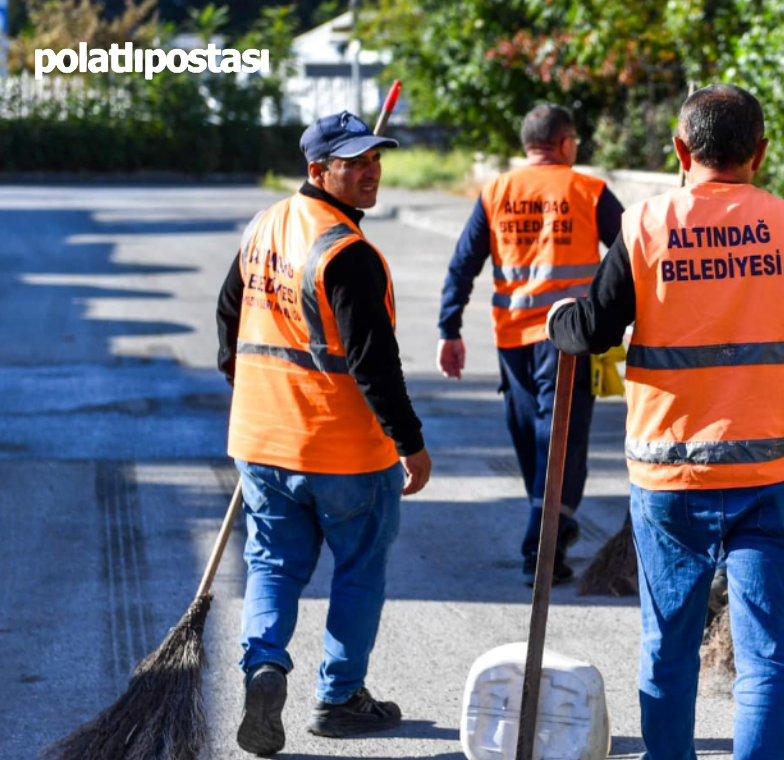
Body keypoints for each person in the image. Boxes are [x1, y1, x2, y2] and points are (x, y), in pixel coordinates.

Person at [547, 84, 784, 760]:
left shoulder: (643, 225)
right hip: (775, 474)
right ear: (760, 153)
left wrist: (562, 322)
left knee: (668, 644)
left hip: (672, 474)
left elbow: (595, 328)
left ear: (680, 150)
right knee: (766, 656)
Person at [216, 110, 432, 755]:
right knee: (360, 570)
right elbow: (374, 362)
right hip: (342, 452)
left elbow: (230, 312)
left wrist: (248, 385)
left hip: (261, 440)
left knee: (273, 565)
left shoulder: (265, 226)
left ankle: (264, 663)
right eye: (355, 162)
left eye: (375, 159)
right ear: (319, 170)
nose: (372, 171)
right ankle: (339, 698)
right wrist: (410, 443)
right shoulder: (346, 252)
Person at [436, 104, 624, 585]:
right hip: (568, 339)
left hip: (513, 340)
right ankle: (543, 540)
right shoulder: (588, 190)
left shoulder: (496, 191)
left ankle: (547, 536)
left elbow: (462, 264)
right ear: (564, 144)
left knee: (538, 441)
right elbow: (635, 253)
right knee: (558, 442)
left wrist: (449, 329)